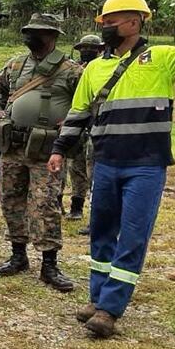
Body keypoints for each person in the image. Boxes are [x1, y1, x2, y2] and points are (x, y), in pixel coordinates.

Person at [49, 0, 175, 337]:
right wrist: (58, 149)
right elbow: (78, 114)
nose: (106, 26)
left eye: (112, 20)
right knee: (101, 232)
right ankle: (97, 298)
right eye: (104, 22)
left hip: (146, 165)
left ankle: (110, 308)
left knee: (133, 236)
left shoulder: (163, 58)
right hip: (106, 162)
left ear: (136, 20)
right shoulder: (94, 68)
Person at [0, 13, 80, 292]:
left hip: (47, 149)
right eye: (29, 31)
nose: (30, 36)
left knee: (46, 204)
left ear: (52, 36)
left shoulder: (71, 70)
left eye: (37, 32)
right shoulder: (15, 64)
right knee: (11, 199)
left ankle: (49, 264)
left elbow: (87, 103)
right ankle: (18, 255)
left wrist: (72, 122)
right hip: (13, 146)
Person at [64, 34, 102, 234]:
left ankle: (94, 216)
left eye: (91, 48)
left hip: (96, 125)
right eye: (83, 48)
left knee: (94, 172)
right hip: (76, 124)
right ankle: (75, 208)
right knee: (74, 167)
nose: (86, 51)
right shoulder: (72, 70)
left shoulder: (103, 69)